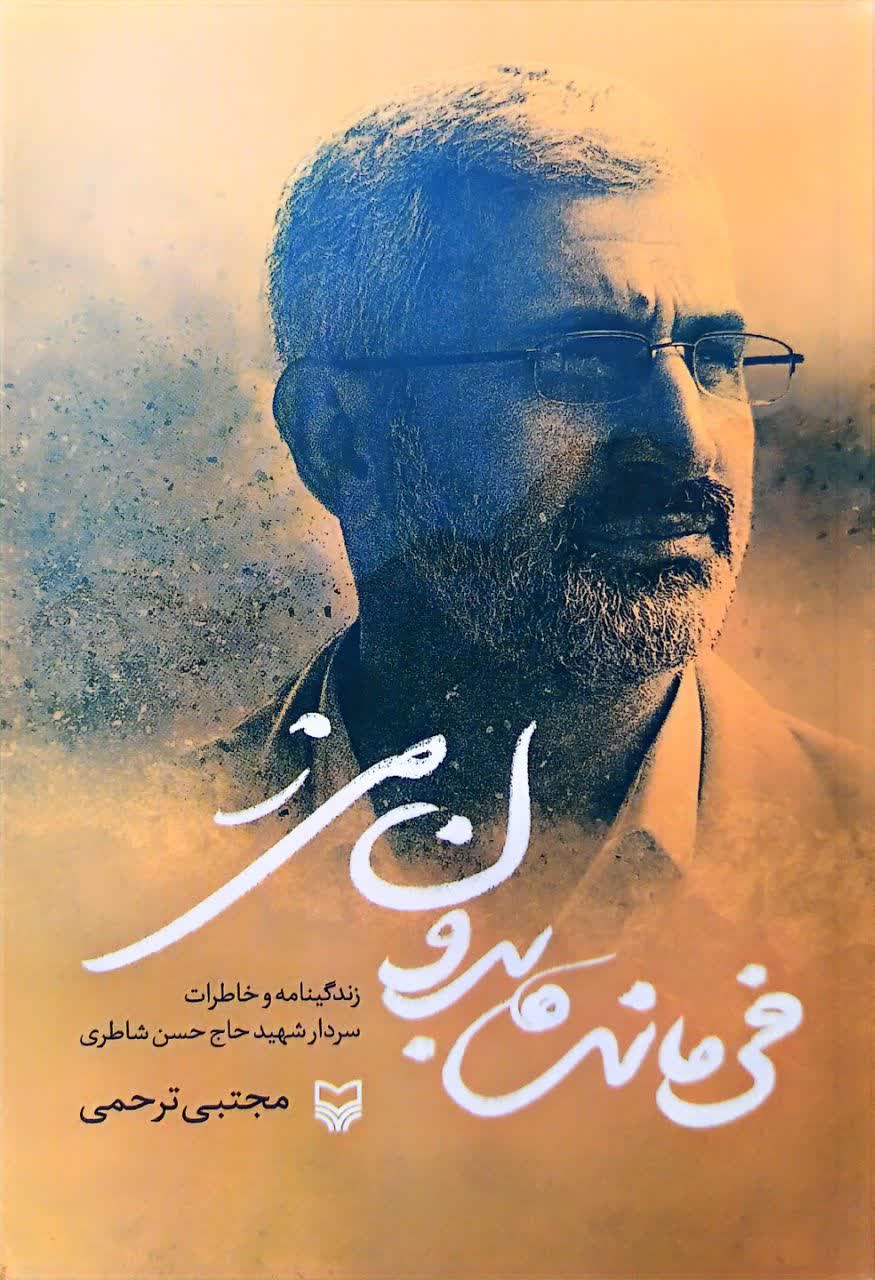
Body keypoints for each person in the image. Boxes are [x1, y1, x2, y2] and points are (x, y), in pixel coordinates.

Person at [200, 66, 865, 925]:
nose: (685, 441)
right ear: (341, 440)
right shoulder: (131, 874)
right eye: (584, 358)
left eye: (715, 359)